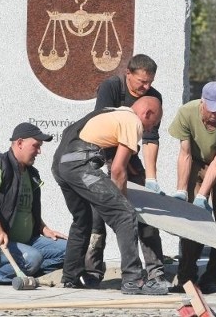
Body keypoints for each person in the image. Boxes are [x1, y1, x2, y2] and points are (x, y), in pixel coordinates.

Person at [51, 96, 168, 295]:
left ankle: (70, 277)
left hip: (60, 165)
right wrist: (122, 202)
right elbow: (118, 170)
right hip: (80, 166)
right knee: (124, 214)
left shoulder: (112, 112)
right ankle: (133, 280)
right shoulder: (133, 122)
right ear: (147, 114)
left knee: (82, 220)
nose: (150, 130)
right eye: (153, 124)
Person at [85, 54, 167, 286]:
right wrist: (115, 169)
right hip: (102, 157)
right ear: (128, 74)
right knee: (98, 217)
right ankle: (92, 271)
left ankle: (155, 271)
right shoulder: (111, 88)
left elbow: (151, 139)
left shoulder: (154, 98)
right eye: (142, 81)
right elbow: (101, 124)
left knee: (146, 216)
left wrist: (150, 178)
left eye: (150, 81)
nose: (146, 87)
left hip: (130, 159)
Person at [0, 122, 67, 284]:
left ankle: (24, 271)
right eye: (36, 146)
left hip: (27, 243)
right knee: (32, 258)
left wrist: (43, 228)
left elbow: (25, 208)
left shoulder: (31, 174)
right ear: (19, 143)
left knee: (71, 249)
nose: (39, 151)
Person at [168, 81, 216, 294]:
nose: (215, 115)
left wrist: (203, 196)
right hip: (195, 161)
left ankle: (212, 278)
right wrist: (181, 191)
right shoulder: (186, 113)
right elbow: (184, 154)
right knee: (192, 222)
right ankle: (186, 279)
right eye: (211, 109)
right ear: (202, 102)